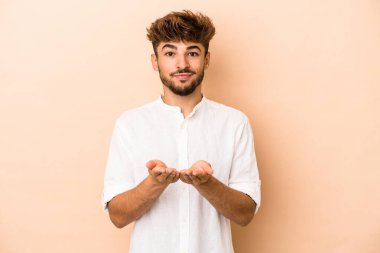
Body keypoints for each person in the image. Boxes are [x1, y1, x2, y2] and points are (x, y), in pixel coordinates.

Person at [102, 10, 261, 253]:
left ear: (206, 59)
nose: (182, 64)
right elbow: (118, 216)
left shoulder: (234, 123)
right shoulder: (130, 124)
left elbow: (245, 213)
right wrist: (154, 183)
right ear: (155, 61)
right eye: (169, 53)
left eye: (192, 53)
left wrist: (206, 184)